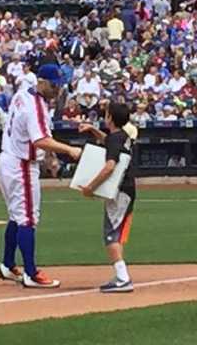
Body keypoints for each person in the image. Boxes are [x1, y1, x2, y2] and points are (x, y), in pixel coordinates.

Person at [0, 64, 82, 289]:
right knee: (27, 219)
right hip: (21, 164)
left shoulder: (24, 94)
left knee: (17, 216)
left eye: (60, 86)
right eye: (54, 85)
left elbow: (40, 136)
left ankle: (7, 264)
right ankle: (31, 273)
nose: (57, 90)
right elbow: (40, 140)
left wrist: (51, 158)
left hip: (10, 158)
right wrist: (70, 150)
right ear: (42, 82)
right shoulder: (35, 105)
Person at [78, 102, 136, 293]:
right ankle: (121, 276)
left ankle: (122, 278)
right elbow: (110, 141)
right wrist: (94, 130)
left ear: (110, 118)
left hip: (119, 191)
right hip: (126, 189)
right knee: (115, 232)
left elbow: (110, 166)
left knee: (111, 234)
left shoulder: (115, 139)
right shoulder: (122, 136)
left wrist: (90, 187)